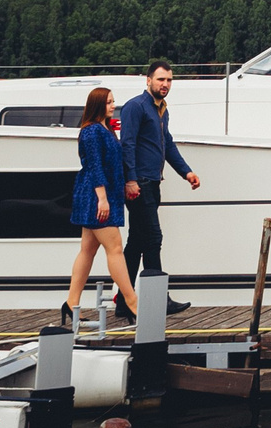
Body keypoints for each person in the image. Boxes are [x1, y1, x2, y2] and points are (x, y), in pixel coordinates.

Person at [117, 60, 202, 313]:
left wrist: (186, 172)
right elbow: (128, 145)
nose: (165, 84)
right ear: (148, 80)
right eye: (160, 79)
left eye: (169, 80)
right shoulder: (136, 107)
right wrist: (130, 180)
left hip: (152, 182)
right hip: (139, 183)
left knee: (137, 242)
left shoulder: (161, 109)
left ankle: (124, 301)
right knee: (154, 238)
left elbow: (168, 146)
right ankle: (158, 301)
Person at [64, 86, 139, 324]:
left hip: (103, 195)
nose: (112, 105)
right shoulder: (91, 132)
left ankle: (71, 302)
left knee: (88, 249)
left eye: (113, 101)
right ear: (97, 105)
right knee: (115, 248)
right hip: (96, 196)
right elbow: (95, 166)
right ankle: (131, 301)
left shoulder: (104, 129)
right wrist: (102, 198)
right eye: (108, 102)